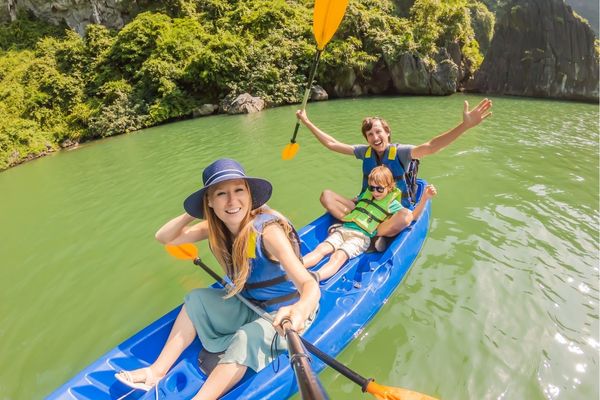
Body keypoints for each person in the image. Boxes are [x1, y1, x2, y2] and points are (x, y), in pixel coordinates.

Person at [115, 159, 320, 400]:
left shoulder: (268, 232)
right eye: (221, 194)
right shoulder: (215, 228)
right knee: (195, 299)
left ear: (249, 194)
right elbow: (165, 237)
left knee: (247, 337)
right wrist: (194, 211)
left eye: (238, 190)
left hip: (284, 314)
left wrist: (299, 309)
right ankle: (155, 373)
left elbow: (309, 286)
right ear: (210, 202)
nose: (232, 202)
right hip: (249, 304)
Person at [295, 98, 492, 241]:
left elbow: (431, 146)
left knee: (406, 217)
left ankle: (372, 231)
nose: (375, 137)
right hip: (367, 207)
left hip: (391, 212)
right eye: (370, 134)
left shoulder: (401, 152)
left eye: (379, 131)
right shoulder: (365, 152)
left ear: (387, 133)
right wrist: (307, 121)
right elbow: (331, 144)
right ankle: (358, 224)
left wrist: (464, 126)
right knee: (326, 196)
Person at [303, 165, 437, 282]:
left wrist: (425, 198)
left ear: (390, 187)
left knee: (339, 255)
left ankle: (316, 276)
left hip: (361, 237)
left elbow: (412, 217)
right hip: (344, 229)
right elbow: (358, 205)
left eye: (380, 189)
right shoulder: (367, 195)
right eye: (372, 188)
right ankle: (297, 267)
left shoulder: (392, 204)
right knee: (321, 248)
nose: (375, 192)